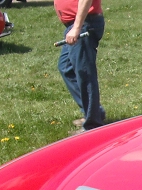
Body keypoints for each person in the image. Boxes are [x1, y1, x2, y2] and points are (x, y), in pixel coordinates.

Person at [54, 0, 106, 131]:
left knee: (84, 73)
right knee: (66, 68)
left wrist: (77, 27)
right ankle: (94, 112)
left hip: (84, 23)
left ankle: (93, 125)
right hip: (76, 24)